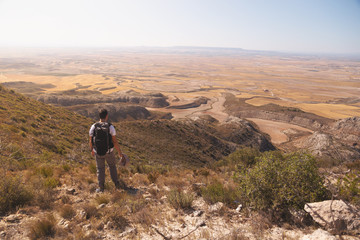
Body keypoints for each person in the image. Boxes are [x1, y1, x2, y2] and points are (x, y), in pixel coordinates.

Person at [89, 109, 124, 193]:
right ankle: (116, 184)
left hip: (98, 152)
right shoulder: (110, 127)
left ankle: (101, 188)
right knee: (112, 166)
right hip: (109, 152)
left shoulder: (94, 126)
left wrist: (92, 150)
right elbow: (114, 141)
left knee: (100, 169)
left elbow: (90, 140)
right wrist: (119, 152)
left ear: (99, 116)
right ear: (107, 116)